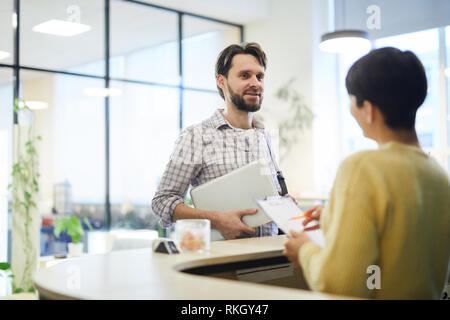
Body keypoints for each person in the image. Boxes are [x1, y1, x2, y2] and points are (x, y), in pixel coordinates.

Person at [283, 47, 450, 299]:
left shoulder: (362, 168)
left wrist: (304, 250)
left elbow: (339, 285)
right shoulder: (438, 174)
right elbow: (399, 233)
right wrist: (332, 217)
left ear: (369, 109)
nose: (351, 111)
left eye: (351, 100)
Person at [152, 42, 286, 240]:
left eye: (260, 76)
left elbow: (266, 196)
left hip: (271, 258)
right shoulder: (195, 136)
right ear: (221, 81)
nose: (256, 83)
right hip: (224, 263)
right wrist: (216, 220)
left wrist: (282, 204)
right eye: (244, 75)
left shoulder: (263, 135)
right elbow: (162, 202)